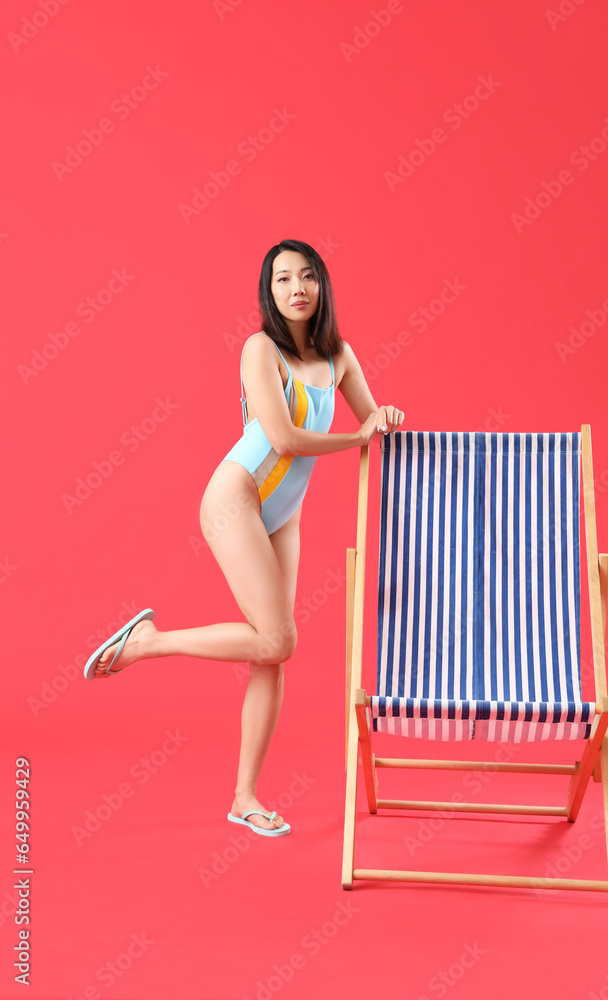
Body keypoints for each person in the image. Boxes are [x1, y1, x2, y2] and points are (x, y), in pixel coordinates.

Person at [82, 238, 405, 837]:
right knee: (278, 639)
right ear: (269, 290)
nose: (296, 289)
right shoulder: (261, 350)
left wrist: (385, 420)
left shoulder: (340, 358)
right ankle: (149, 642)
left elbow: (372, 418)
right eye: (283, 279)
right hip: (236, 498)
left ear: (322, 286)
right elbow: (283, 441)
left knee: (271, 654)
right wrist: (359, 438)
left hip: (284, 513)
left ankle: (245, 798)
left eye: (307, 277)